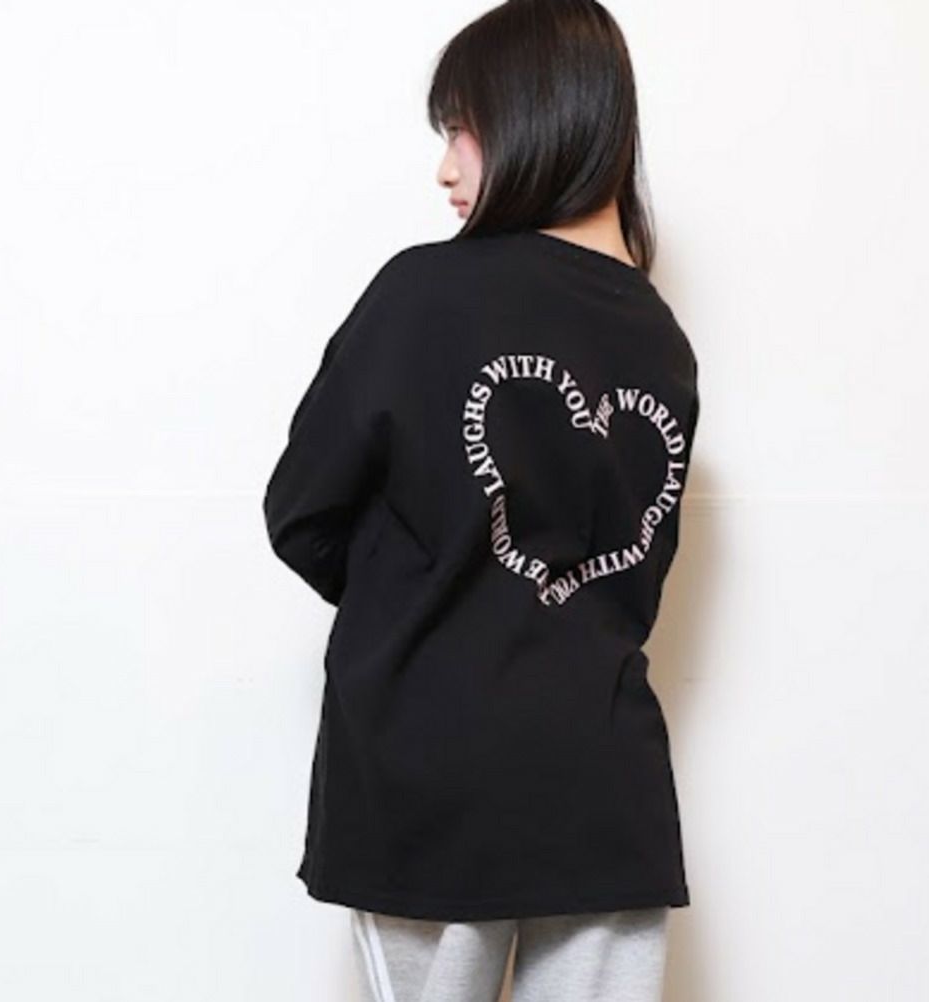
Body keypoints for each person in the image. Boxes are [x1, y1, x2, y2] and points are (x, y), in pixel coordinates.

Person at [262, 1, 701, 999]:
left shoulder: (422, 294)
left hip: (432, 784)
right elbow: (631, 578)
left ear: (535, 116)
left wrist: (425, 589)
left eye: (461, 129)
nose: (444, 168)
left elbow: (301, 510)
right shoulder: (662, 341)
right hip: (607, 793)